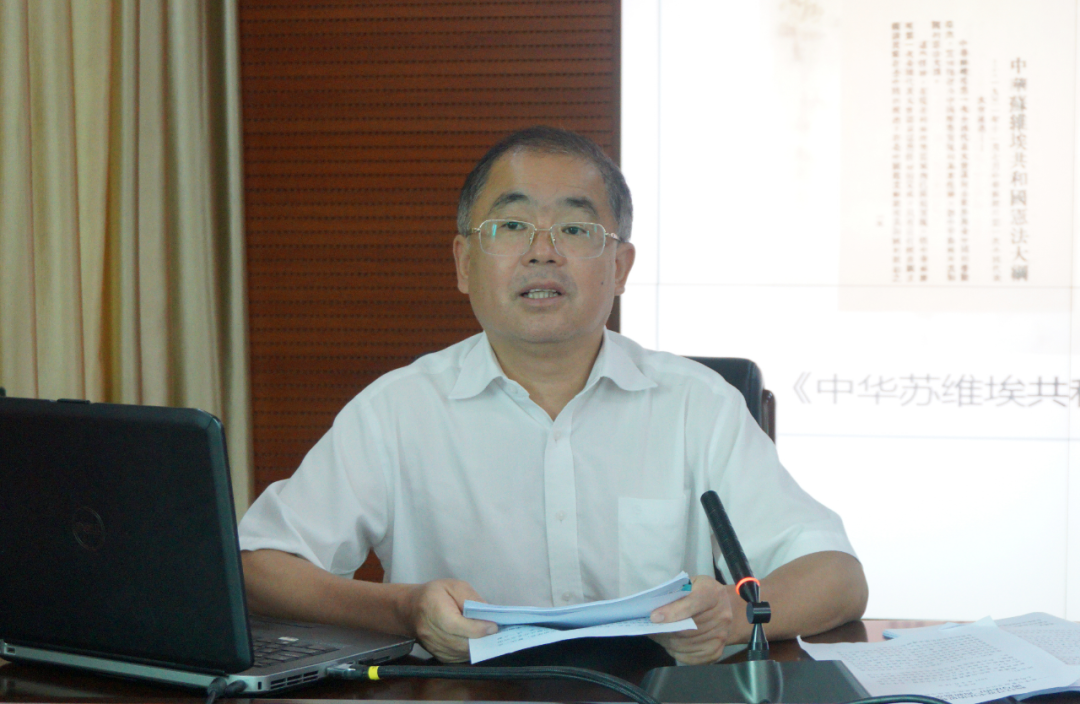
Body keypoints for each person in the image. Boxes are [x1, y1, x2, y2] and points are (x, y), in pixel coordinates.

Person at [238, 126, 868, 666]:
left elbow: (837, 575)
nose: (543, 252)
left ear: (619, 268)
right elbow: (257, 566)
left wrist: (734, 613)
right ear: (464, 263)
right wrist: (402, 610)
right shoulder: (398, 409)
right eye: (511, 226)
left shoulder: (695, 404)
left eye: (575, 227)